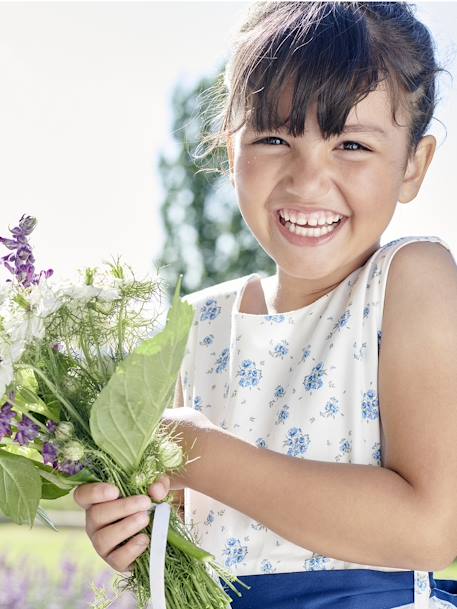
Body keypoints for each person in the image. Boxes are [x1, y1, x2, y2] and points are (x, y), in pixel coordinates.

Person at [74, 2, 457, 608]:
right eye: (274, 138)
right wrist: (131, 529)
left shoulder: (410, 281)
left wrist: (201, 452)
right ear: (232, 151)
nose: (308, 181)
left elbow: (431, 529)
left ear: (414, 163)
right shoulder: (196, 325)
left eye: (352, 144)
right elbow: (185, 530)